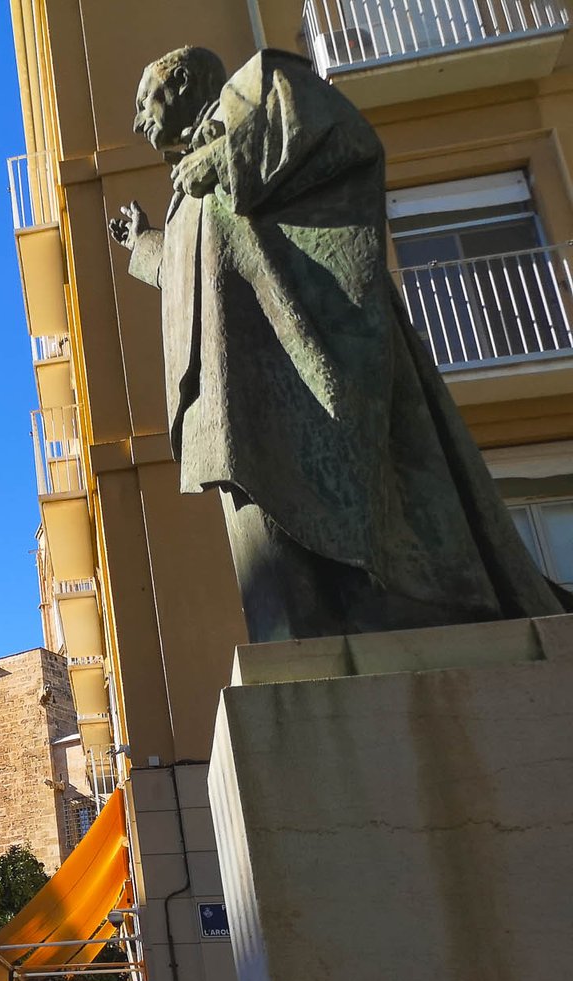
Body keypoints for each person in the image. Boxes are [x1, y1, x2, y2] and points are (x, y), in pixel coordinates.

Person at [108, 46, 568, 643]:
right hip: (224, 379)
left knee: (340, 491)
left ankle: (381, 613)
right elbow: (187, 271)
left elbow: (341, 137)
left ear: (186, 83)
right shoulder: (181, 191)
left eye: (145, 99)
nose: (138, 118)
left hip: (298, 354)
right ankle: (295, 642)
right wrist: (144, 243)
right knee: (255, 524)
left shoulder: (260, 85)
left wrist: (227, 157)